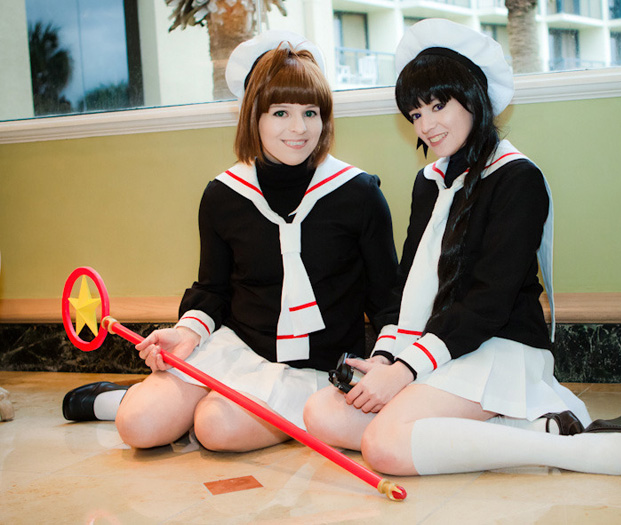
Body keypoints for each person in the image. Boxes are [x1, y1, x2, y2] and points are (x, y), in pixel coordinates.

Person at [303, 18, 621, 477]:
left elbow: (488, 302)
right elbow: (405, 285)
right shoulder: (428, 183)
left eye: (438, 105)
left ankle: (590, 450)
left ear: (473, 97)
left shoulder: (518, 178)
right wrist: (384, 359)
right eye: (416, 114)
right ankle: (528, 429)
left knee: (385, 446)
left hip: (499, 348)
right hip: (435, 348)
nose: (427, 125)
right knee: (321, 413)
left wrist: (405, 370)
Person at [62, 31, 397, 453]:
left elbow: (388, 298)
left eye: (310, 112)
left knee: (215, 428)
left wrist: (385, 362)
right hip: (235, 348)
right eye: (280, 112)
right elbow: (213, 289)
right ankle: (126, 402)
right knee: (138, 426)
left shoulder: (359, 193)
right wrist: (186, 332)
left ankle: (182, 413)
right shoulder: (224, 195)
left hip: (314, 370)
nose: (299, 128)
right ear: (253, 116)